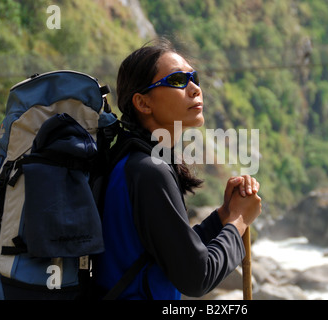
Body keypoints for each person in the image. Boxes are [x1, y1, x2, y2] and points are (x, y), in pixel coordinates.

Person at [93, 39, 262, 300]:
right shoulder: (150, 171)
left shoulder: (134, 161)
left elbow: (172, 252)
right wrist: (239, 221)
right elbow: (197, 277)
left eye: (193, 77)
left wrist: (223, 215)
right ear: (143, 103)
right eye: (177, 81)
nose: (194, 88)